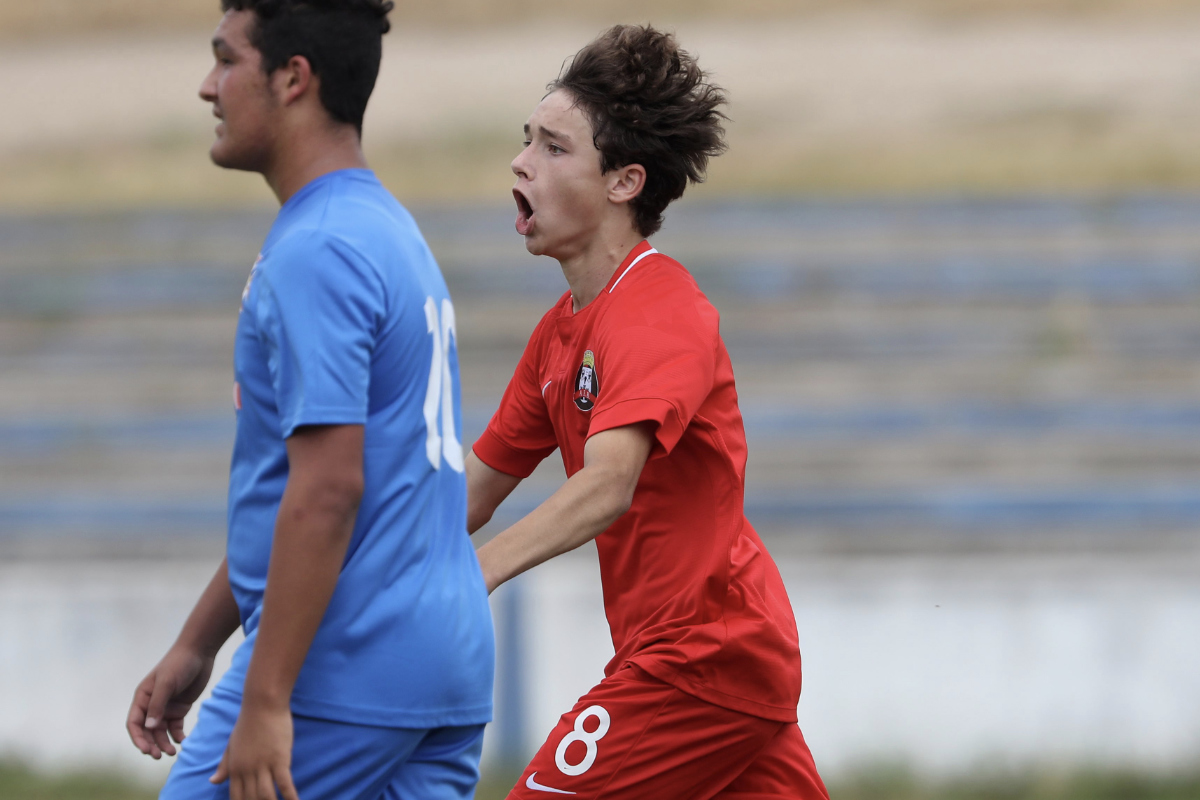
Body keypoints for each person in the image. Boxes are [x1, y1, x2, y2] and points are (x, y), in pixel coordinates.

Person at [125, 3, 494, 799]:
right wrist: (201, 639)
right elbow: (311, 486)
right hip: (445, 667)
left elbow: (327, 491)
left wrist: (264, 696)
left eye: (226, 59)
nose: (207, 87)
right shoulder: (384, 227)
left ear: (294, 78)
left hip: (346, 666)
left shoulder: (317, 249)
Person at [467, 24, 830, 799]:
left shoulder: (661, 309)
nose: (521, 160)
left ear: (624, 183)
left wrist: (477, 571)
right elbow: (470, 491)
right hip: (708, 662)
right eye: (526, 138)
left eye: (554, 147)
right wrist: (350, 565)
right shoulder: (560, 334)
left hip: (704, 659)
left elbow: (607, 486)